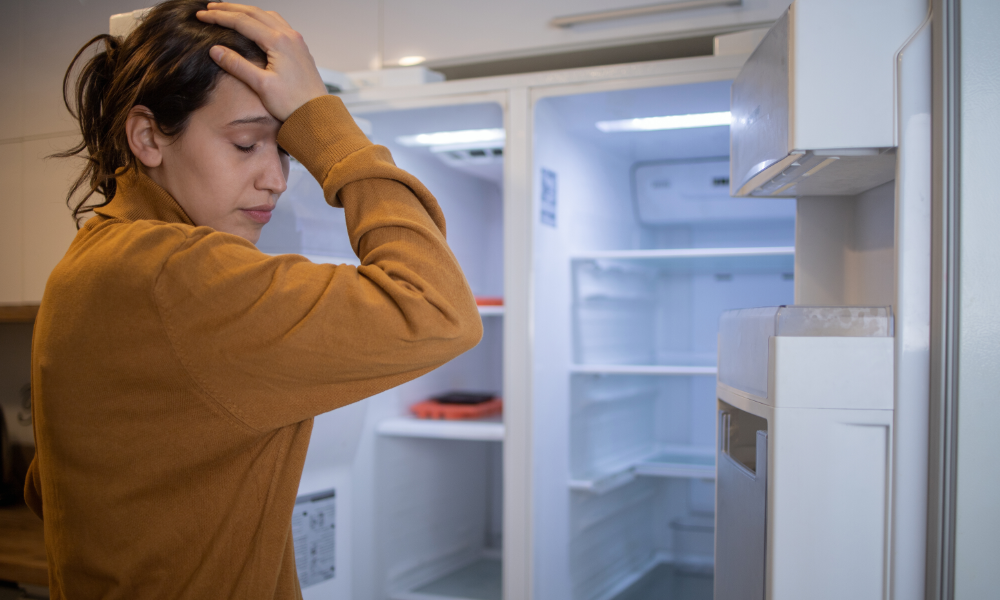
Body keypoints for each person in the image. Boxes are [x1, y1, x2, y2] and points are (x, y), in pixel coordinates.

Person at [24, 1, 483, 598]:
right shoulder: (177, 272)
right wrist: (323, 123)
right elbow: (438, 308)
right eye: (246, 145)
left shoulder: (92, 261)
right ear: (147, 137)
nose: (277, 178)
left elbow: (52, 488)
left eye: (285, 148)